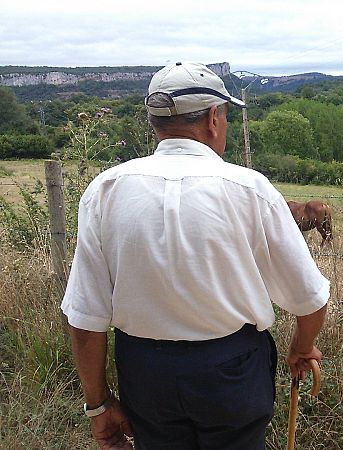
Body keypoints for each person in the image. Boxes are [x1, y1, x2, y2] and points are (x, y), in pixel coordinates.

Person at [61, 62, 329, 450]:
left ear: (155, 122)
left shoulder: (106, 189)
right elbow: (310, 299)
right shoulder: (250, 189)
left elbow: (86, 316)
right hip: (231, 370)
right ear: (213, 118)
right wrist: (302, 348)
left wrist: (98, 404)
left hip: (145, 372)